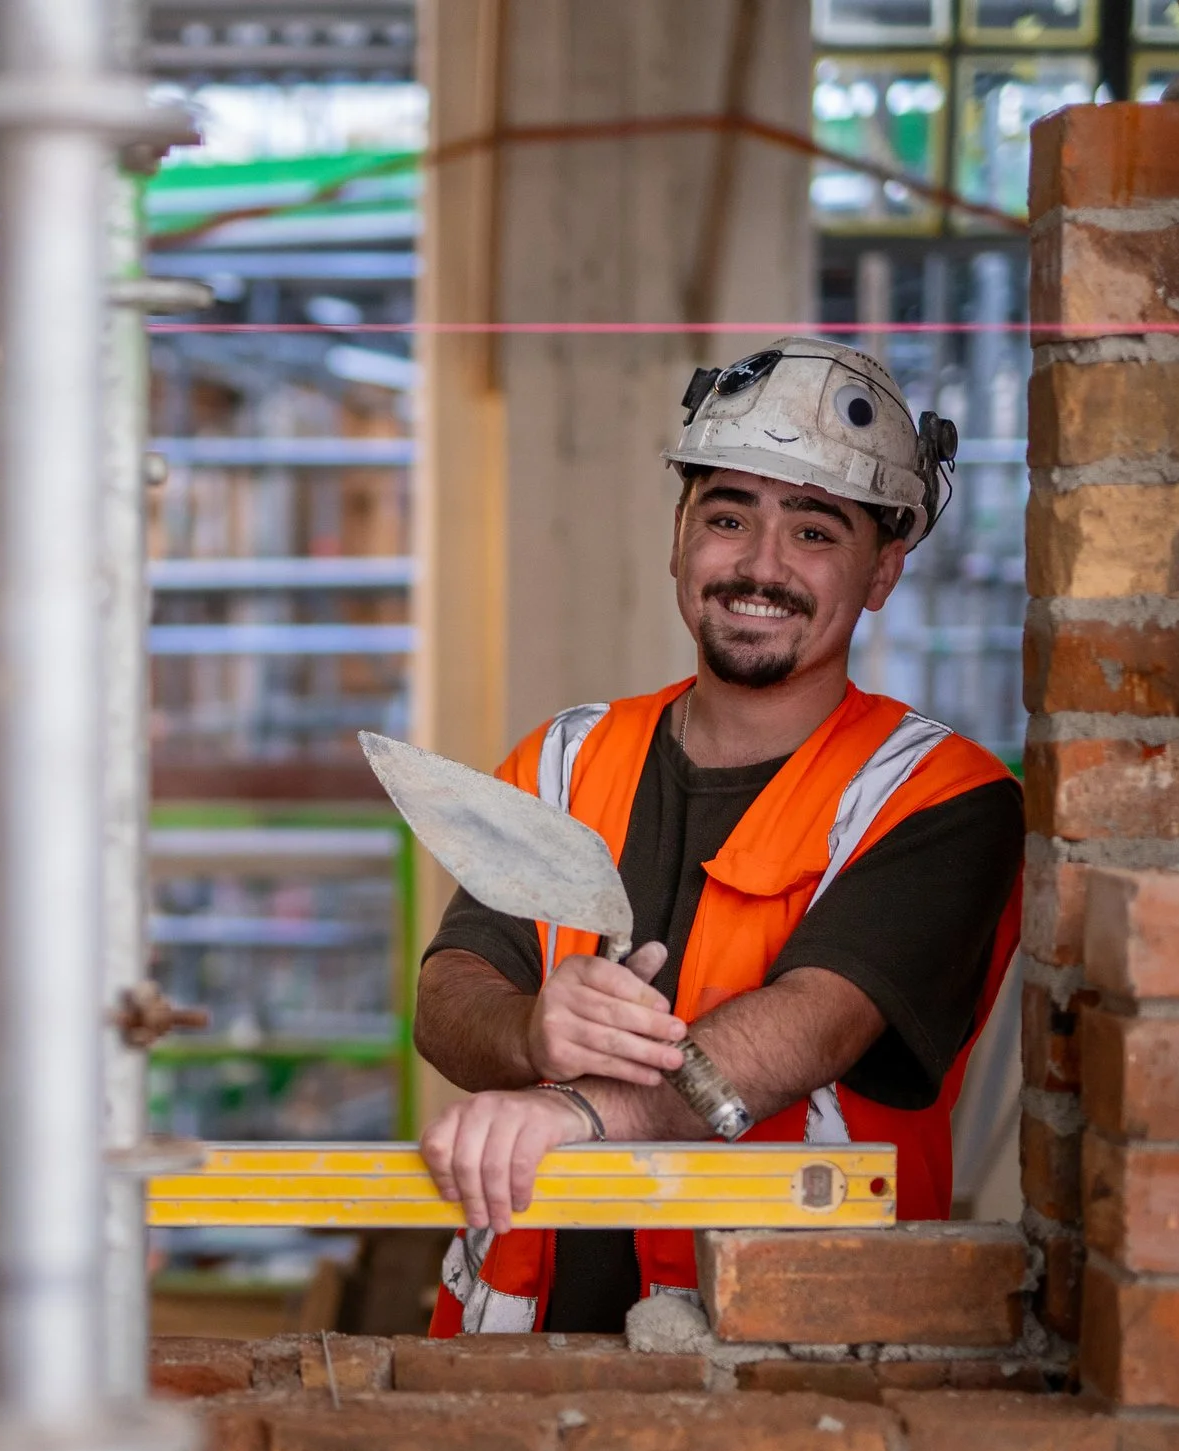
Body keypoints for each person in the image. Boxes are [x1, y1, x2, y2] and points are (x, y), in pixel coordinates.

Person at [413, 336, 1024, 1335]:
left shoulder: (939, 797)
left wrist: (569, 1108)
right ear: (677, 536)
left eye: (815, 532)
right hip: (511, 1361)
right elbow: (448, 994)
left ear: (882, 571)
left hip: (791, 1378)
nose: (759, 564)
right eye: (727, 515)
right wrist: (526, 1030)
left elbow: (805, 1029)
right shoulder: (566, 758)